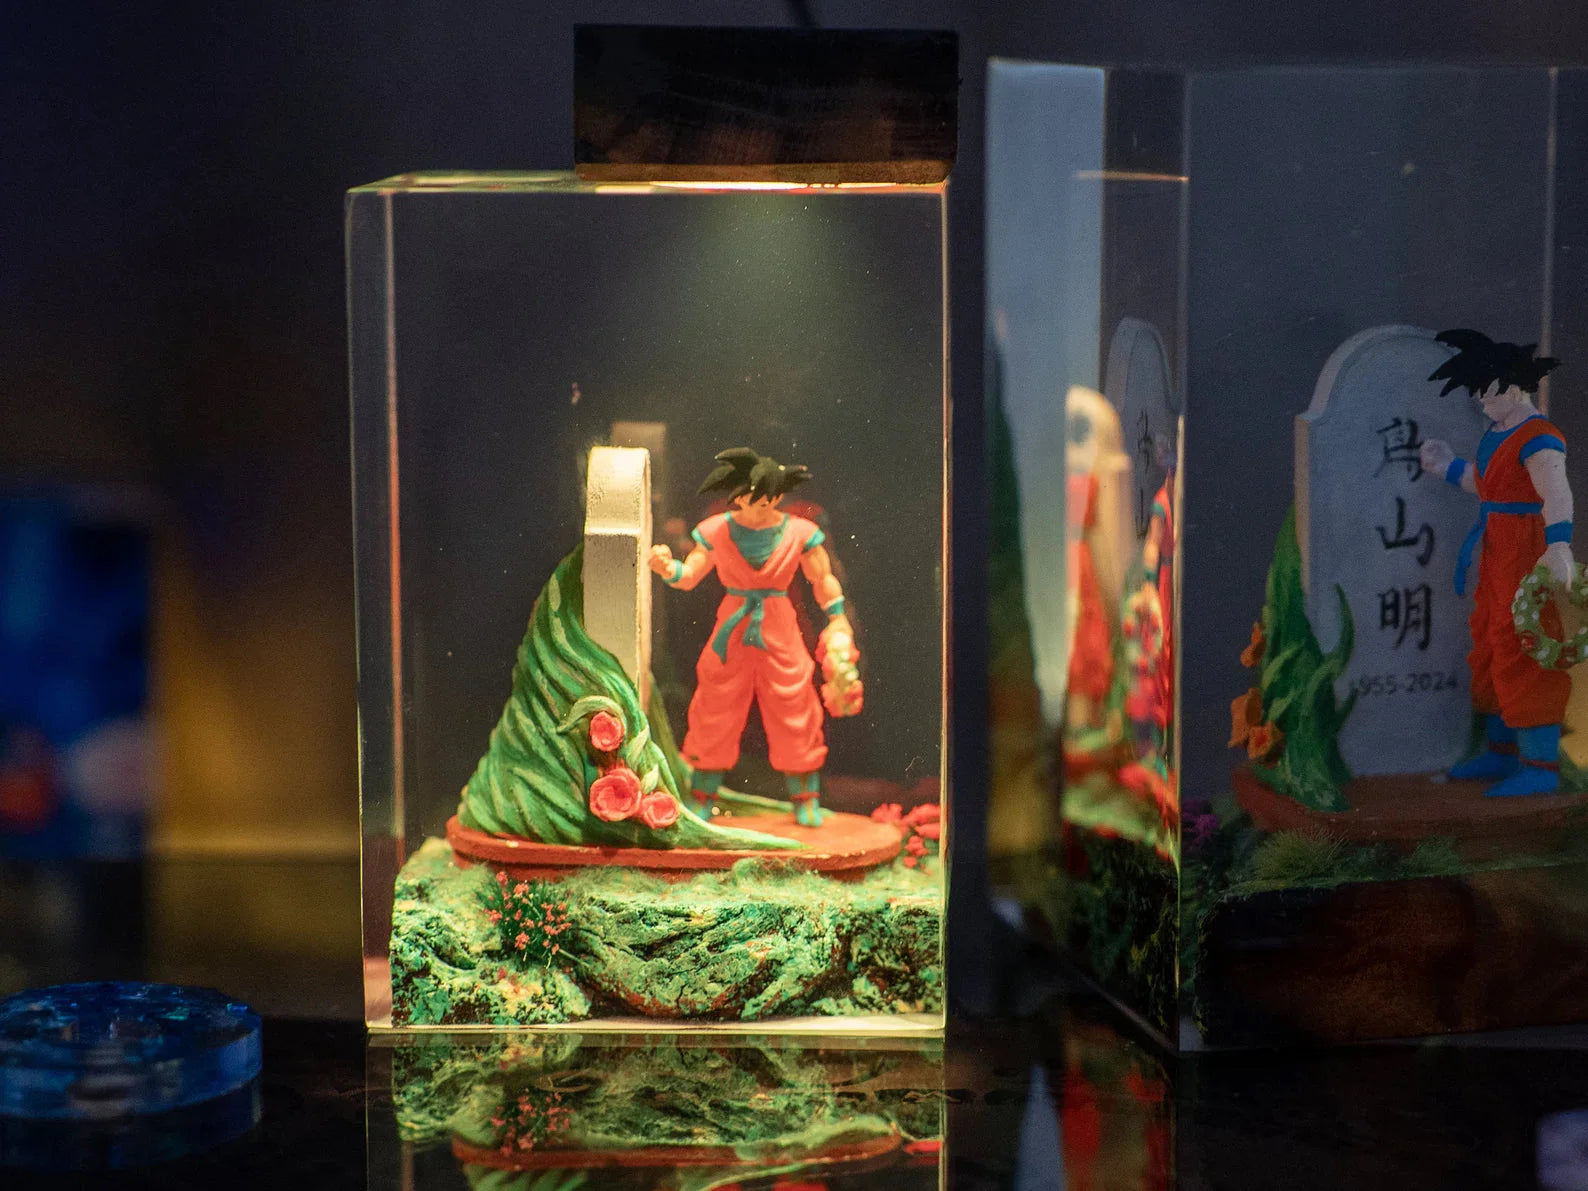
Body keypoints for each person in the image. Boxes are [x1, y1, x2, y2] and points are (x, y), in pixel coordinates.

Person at [648, 448, 853, 826]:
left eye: (768, 498)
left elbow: (822, 578)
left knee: (795, 704)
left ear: (779, 495)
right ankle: (702, 795)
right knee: (715, 705)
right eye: (752, 497)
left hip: (780, 626)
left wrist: (838, 618)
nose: (760, 506)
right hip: (733, 628)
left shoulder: (799, 532)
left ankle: (805, 798)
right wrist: (667, 568)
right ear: (736, 495)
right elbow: (690, 575)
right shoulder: (717, 530)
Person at [1419, 329, 1572, 797]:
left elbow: (1556, 494)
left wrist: (1559, 546)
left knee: (1526, 639)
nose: (1481, 402)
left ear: (1513, 386)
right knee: (1490, 636)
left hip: (1527, 548)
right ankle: (1502, 751)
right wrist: (1446, 466)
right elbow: (1489, 484)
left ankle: (1540, 764)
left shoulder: (1540, 438)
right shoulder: (1498, 432)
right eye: (1478, 394)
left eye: (1486, 393)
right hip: (1496, 545)